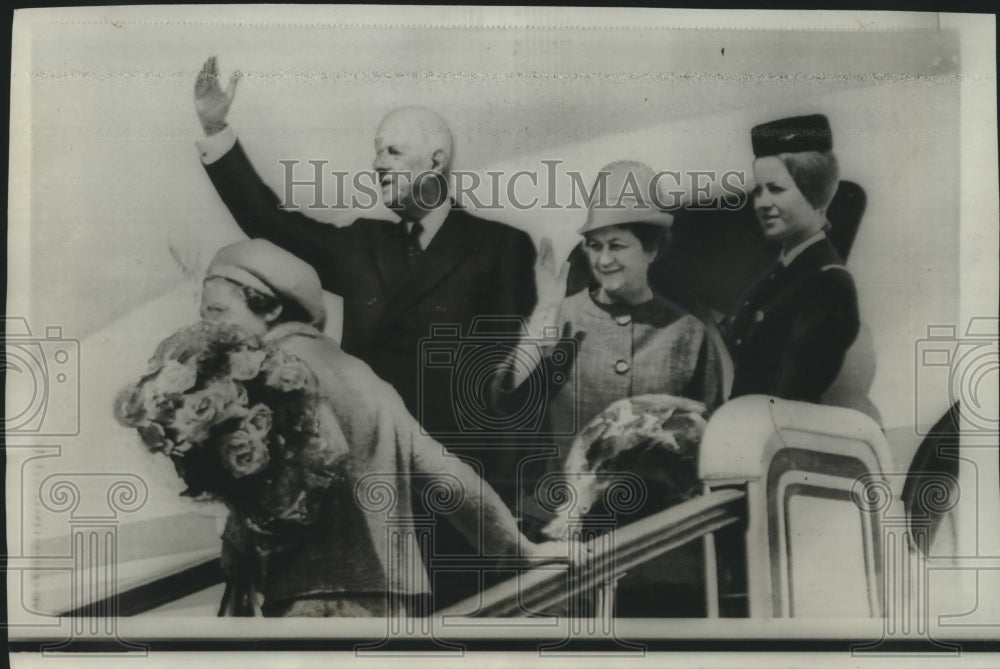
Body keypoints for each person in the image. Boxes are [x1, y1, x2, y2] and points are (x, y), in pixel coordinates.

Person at [184, 239, 567, 616]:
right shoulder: (361, 374)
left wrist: (239, 557)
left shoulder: (271, 375)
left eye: (217, 312)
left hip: (313, 599)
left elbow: (275, 491)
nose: (209, 329)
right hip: (393, 600)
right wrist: (520, 551)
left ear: (269, 307)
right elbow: (446, 475)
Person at [493, 161, 725, 530]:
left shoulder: (687, 333)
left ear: (652, 250)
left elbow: (707, 443)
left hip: (653, 537)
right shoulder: (559, 317)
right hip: (559, 529)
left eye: (617, 245)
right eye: (594, 245)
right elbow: (504, 406)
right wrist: (540, 327)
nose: (603, 259)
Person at [724, 114, 860, 403]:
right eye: (758, 191)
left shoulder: (828, 282)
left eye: (776, 189)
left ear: (815, 192)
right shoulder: (783, 272)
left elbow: (791, 390)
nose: (762, 203)